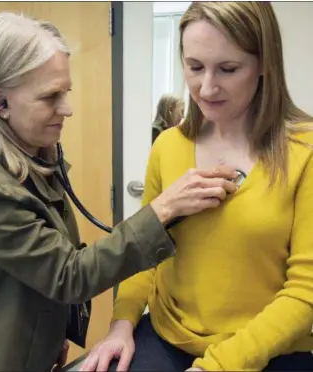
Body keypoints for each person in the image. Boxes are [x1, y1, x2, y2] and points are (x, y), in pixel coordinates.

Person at [0, 12, 240, 372]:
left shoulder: (32, 153)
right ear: (0, 102)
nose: (67, 109)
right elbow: (68, 275)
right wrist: (163, 209)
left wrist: (52, 333)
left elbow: (39, 263)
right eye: (50, 97)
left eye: (66, 92)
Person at [81, 2, 313, 372]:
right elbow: (145, 256)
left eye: (228, 69)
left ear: (264, 63)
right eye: (194, 67)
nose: (207, 87)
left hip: (268, 350)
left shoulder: (304, 151)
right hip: (167, 339)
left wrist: (217, 366)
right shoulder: (168, 146)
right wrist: (121, 326)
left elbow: (306, 293)